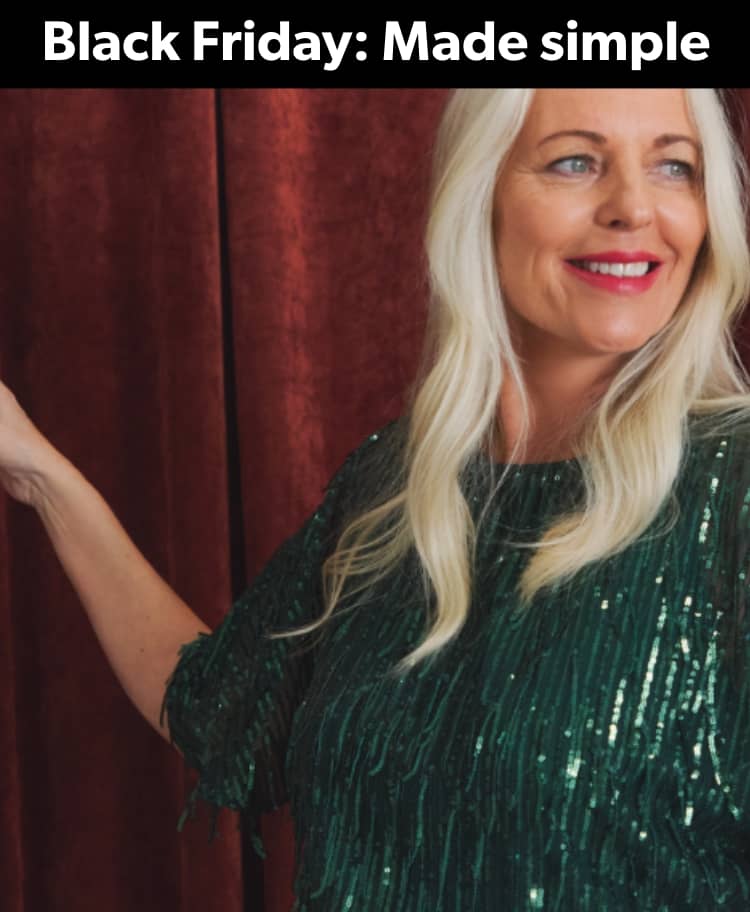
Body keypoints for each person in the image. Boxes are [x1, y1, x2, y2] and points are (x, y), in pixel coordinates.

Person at [1, 88, 749, 909]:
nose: (635, 207)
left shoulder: (734, 487)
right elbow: (221, 709)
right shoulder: (396, 480)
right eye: (576, 160)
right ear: (480, 194)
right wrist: (40, 472)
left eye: (674, 167)